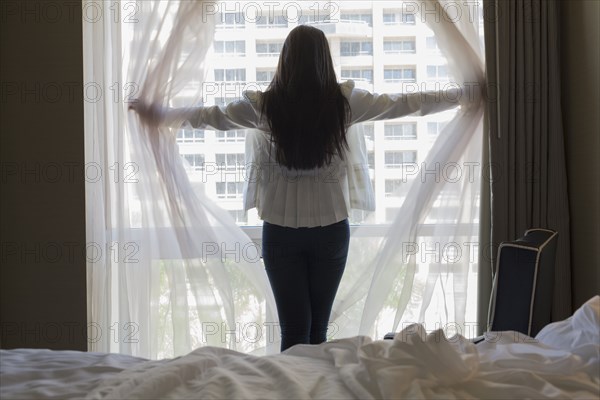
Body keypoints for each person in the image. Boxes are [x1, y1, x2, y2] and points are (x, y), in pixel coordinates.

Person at [130, 25, 463, 352]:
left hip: (281, 233)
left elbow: (211, 117)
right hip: (331, 231)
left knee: (294, 330)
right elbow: (403, 103)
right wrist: (461, 95)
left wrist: (158, 114)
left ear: (285, 61)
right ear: (324, 61)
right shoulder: (344, 104)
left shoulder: (265, 107)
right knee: (317, 331)